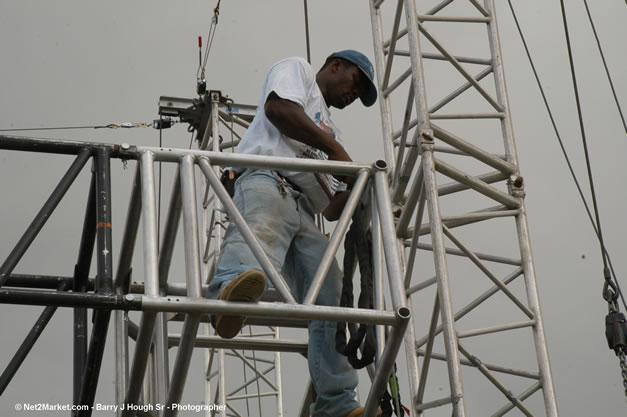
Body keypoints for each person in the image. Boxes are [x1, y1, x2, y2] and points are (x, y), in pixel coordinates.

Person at [207, 50, 379, 417]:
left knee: (331, 296)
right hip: (268, 180)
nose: (354, 94)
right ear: (335, 66)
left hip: (304, 210)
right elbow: (279, 111)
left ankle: (335, 403)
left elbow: (330, 208)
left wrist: (356, 192)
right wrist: (336, 152)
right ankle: (225, 294)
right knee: (261, 234)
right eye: (356, 82)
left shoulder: (330, 130)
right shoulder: (296, 70)